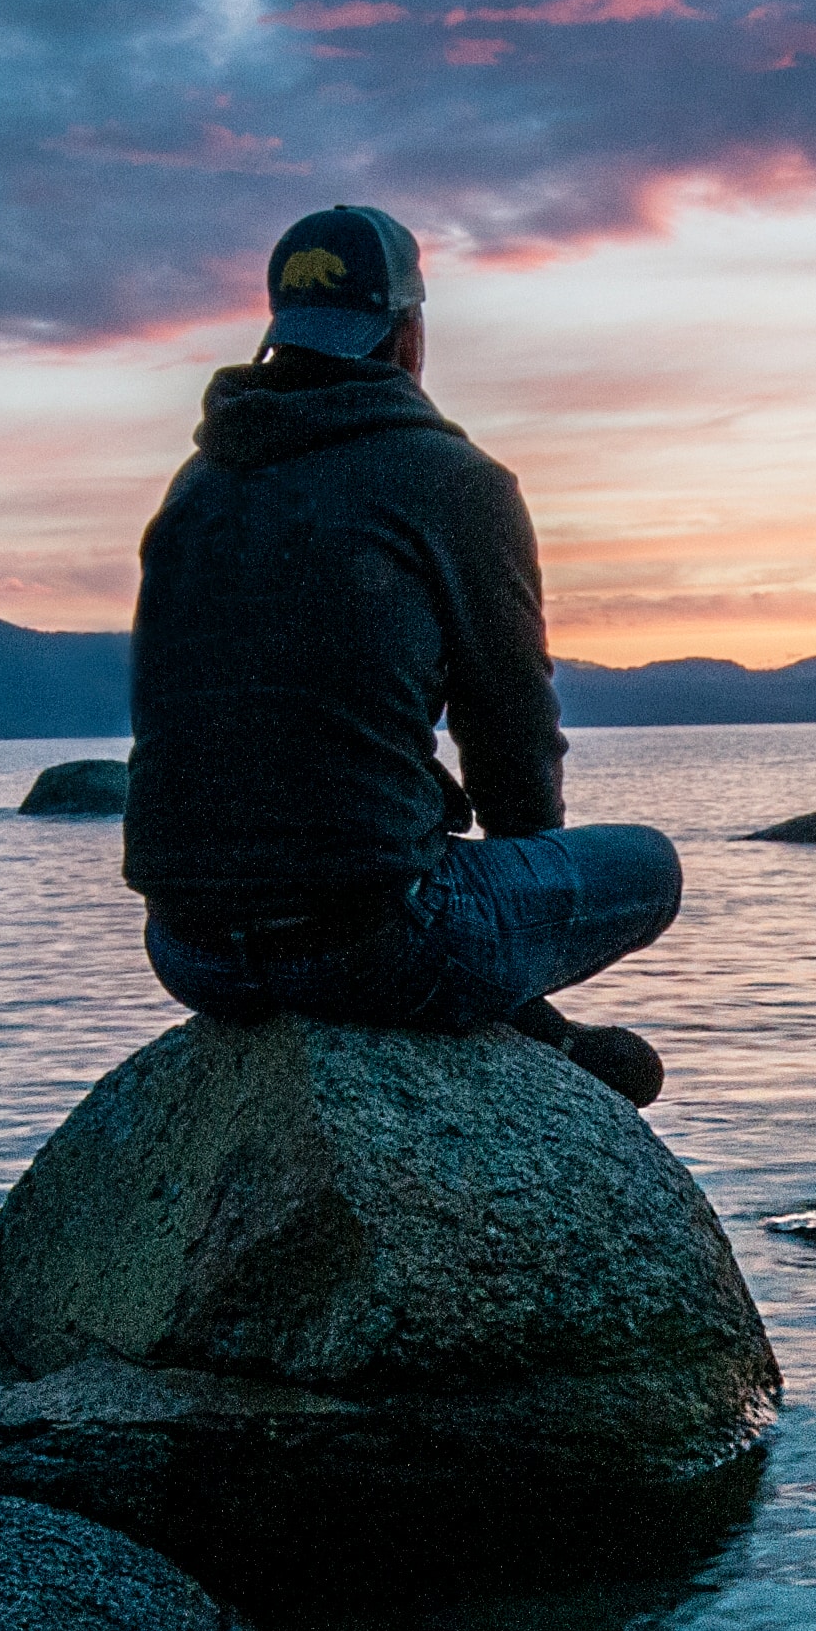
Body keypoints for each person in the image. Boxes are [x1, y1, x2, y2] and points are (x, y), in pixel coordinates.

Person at [121, 204, 679, 1104]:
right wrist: (515, 909)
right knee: (649, 867)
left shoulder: (197, 487)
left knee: (400, 862)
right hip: (368, 946)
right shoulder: (454, 482)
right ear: (408, 330)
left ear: (279, 332)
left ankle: (530, 1026)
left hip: (187, 951)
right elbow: (510, 735)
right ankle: (530, 1026)